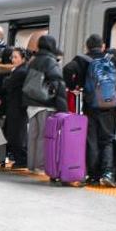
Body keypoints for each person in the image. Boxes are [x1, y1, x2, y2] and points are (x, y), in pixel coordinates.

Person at [63, 34, 116, 185]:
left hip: (91, 106)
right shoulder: (113, 59)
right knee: (106, 140)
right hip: (110, 106)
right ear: (103, 46)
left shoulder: (82, 59)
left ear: (87, 47)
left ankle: (93, 175)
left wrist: (74, 86)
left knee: (91, 139)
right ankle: (107, 173)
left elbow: (67, 70)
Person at [22, 35, 68, 173]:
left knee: (33, 137)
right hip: (45, 104)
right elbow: (58, 83)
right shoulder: (50, 61)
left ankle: (31, 165)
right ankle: (40, 166)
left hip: (31, 104)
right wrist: (63, 108)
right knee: (43, 137)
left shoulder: (33, 60)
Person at [2, 47, 29, 168]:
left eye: (15, 57)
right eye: (12, 57)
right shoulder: (18, 70)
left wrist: (7, 79)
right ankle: (18, 158)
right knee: (14, 133)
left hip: (18, 107)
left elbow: (7, 83)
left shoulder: (21, 71)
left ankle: (22, 160)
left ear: (23, 58)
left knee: (17, 134)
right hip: (16, 106)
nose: (13, 59)